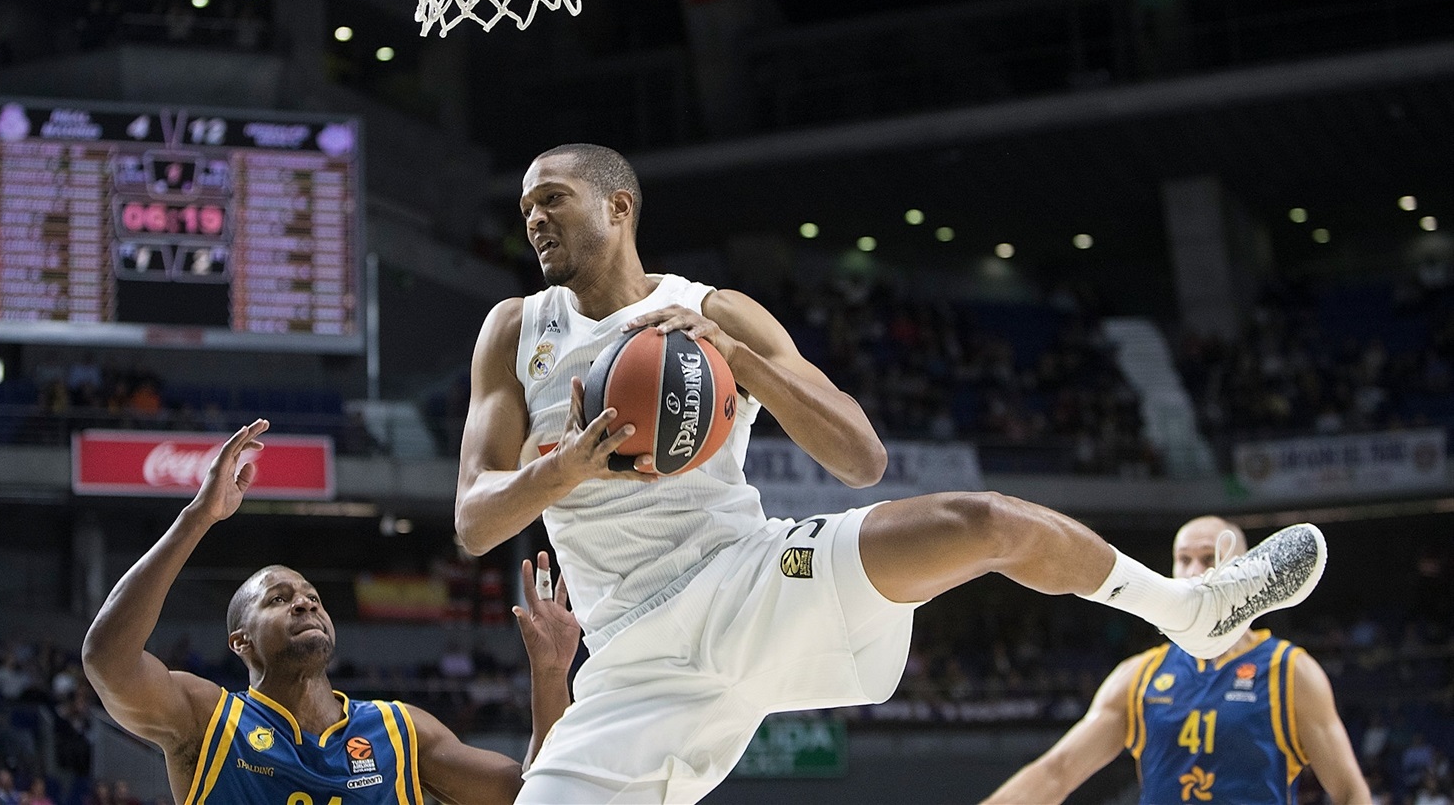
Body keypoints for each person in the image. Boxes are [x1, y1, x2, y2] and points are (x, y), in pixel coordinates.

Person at [455, 143, 1329, 804]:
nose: (534, 218)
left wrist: (747, 365)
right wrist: (559, 472)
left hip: (745, 579)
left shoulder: (716, 313)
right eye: (527, 206)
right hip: (631, 658)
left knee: (982, 521)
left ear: (619, 207)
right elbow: (473, 521)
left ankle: (1194, 612)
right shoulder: (514, 330)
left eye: (553, 200)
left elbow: (860, 459)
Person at [83, 419, 580, 804]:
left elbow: (530, 794)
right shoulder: (208, 719)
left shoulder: (399, 731)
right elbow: (108, 660)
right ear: (241, 641)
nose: (303, 601)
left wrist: (552, 673)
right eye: (278, 599)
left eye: (313, 598)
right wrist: (198, 517)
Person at [983, 516, 1370, 804]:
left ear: (1250, 571)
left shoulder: (1291, 671)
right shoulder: (1137, 676)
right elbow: (1057, 772)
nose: (1195, 570)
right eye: (1183, 559)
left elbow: (1351, 794)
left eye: (1209, 557)